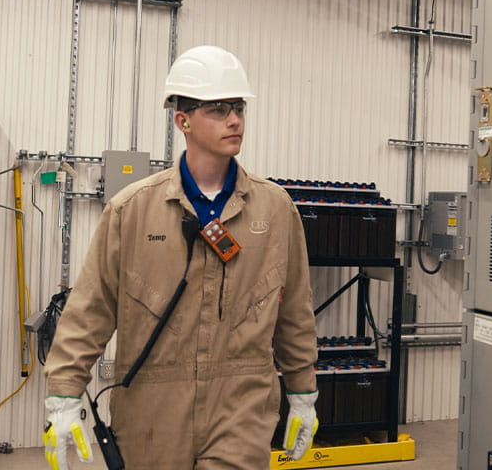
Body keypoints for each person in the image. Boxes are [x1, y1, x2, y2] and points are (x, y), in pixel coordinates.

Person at [42, 45, 319, 469]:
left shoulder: (274, 209)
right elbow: (91, 307)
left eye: (239, 108)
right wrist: (64, 393)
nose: (234, 120)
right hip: (152, 408)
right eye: (218, 109)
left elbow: (294, 308)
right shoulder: (132, 209)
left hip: (241, 405)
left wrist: (303, 393)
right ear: (182, 120)